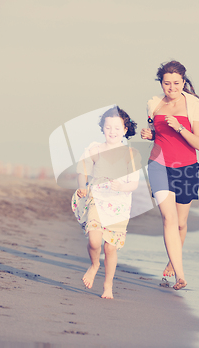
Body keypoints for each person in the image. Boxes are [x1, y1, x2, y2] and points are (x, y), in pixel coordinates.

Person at [140, 60, 199, 290]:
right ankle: (180, 274)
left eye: (176, 83)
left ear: (183, 82)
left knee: (180, 223)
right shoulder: (154, 104)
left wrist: (179, 127)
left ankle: (172, 259)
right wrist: (150, 134)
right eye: (167, 83)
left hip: (186, 167)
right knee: (168, 219)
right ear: (162, 83)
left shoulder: (194, 106)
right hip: (158, 165)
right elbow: (156, 132)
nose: (172, 88)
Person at [72, 106, 140, 299]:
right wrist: (82, 186)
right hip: (96, 200)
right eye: (108, 127)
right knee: (94, 241)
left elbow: (133, 183)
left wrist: (121, 187)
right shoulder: (96, 149)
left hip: (119, 206)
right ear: (103, 128)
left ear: (125, 130)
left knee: (110, 247)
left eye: (117, 128)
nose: (112, 132)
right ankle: (94, 264)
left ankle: (108, 284)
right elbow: (82, 170)